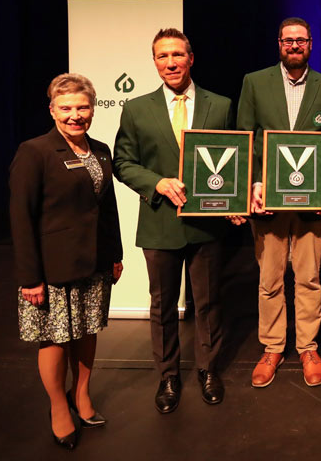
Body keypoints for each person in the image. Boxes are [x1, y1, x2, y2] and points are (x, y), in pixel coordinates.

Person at [113, 28, 232, 413]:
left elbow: (235, 158)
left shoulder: (220, 105)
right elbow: (122, 162)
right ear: (154, 61)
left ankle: (208, 369)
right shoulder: (136, 108)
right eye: (163, 56)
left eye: (177, 55)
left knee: (209, 302)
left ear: (191, 58)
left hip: (205, 222)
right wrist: (157, 182)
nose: (171, 62)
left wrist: (232, 197)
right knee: (162, 306)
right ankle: (168, 375)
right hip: (159, 222)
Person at [10, 73, 123, 450]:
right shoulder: (35, 151)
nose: (76, 115)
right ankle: (59, 406)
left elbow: (108, 208)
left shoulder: (102, 150)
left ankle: (82, 395)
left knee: (88, 331)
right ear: (53, 110)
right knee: (55, 338)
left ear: (92, 109)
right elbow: (21, 217)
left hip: (94, 263)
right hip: (51, 268)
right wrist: (29, 277)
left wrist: (115, 255)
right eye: (67, 108)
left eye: (82, 107)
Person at [236, 17, 321, 388]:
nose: (294, 46)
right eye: (288, 40)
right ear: (278, 44)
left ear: (311, 44)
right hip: (269, 202)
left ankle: (307, 346)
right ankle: (272, 347)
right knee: (269, 278)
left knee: (309, 277)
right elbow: (246, 139)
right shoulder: (255, 82)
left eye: (301, 40)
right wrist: (253, 184)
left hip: (310, 201)